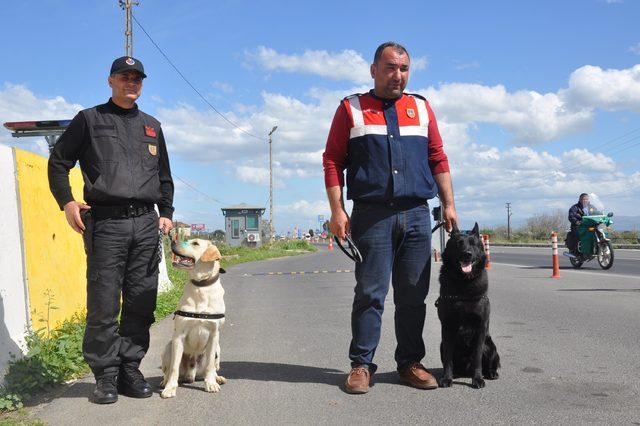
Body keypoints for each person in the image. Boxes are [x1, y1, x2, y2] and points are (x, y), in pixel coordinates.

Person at [322, 42, 457, 394]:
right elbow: (333, 160)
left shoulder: (422, 108)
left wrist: (450, 204)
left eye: (404, 68)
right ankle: (361, 365)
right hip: (372, 216)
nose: (398, 75)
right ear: (373, 70)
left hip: (416, 215)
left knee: (413, 294)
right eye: (390, 67)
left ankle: (409, 362)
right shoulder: (351, 109)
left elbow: (438, 158)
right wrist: (338, 211)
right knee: (370, 294)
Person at [48, 56, 175, 404]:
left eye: (137, 78)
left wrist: (165, 212)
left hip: (146, 225)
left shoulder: (152, 125)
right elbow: (59, 162)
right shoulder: (89, 119)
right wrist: (68, 202)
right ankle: (105, 376)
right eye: (124, 76)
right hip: (106, 223)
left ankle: (129, 369)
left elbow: (164, 177)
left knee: (141, 300)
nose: (131, 82)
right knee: (104, 303)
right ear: (110, 80)